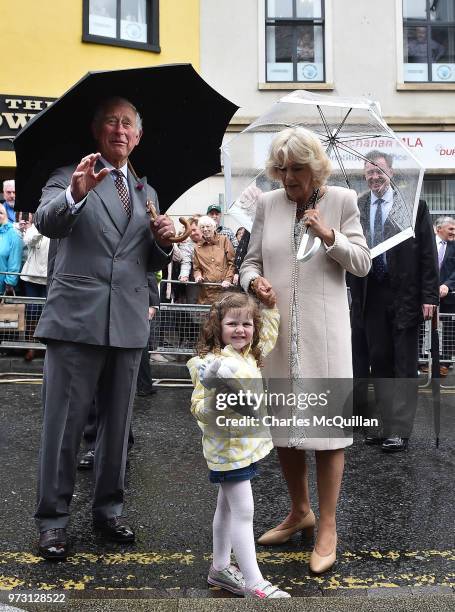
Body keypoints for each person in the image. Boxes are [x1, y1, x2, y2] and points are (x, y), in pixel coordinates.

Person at [33, 96, 175, 560]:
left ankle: (109, 510)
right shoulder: (67, 174)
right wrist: (76, 192)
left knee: (118, 427)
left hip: (128, 322)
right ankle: (53, 521)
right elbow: (47, 221)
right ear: (98, 132)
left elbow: (146, 260)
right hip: (76, 319)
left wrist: (164, 243)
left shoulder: (147, 193)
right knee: (64, 427)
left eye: (127, 124)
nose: (119, 130)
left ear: (137, 136)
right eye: (111, 122)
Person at [240, 126, 370, 573]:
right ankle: (300, 511)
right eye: (282, 169)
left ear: (315, 169)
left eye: (297, 169)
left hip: (325, 332)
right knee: (284, 428)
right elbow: (251, 261)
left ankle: (328, 525)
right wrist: (252, 281)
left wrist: (331, 236)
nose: (288, 178)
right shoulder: (269, 204)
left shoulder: (342, 202)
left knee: (327, 432)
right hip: (277, 332)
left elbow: (363, 263)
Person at [187, 292, 290, 599]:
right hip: (229, 451)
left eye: (247, 324)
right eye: (232, 323)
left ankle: (220, 568)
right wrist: (217, 398)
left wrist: (269, 307)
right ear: (217, 327)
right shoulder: (211, 365)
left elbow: (268, 334)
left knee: (227, 509)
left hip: (242, 448)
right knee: (243, 512)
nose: (241, 330)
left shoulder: (248, 354)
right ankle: (255, 583)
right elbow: (199, 409)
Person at [348, 150, 439, 453]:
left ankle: (399, 430)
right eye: (369, 172)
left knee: (404, 364)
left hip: (405, 296)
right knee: (380, 363)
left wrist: (429, 297)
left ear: (391, 173)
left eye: (379, 171)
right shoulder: (358, 206)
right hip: (371, 295)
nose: (374, 176)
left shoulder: (412, 207)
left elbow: (427, 253)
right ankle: (383, 425)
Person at [20, 223, 50, 360]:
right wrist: (43, 227)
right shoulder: (36, 226)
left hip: (49, 278)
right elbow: (29, 240)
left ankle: (44, 347)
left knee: (46, 312)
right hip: (31, 277)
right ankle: (31, 347)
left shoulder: (59, 226)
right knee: (32, 310)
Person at [193, 216, 235, 304]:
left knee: (224, 314)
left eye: (208, 226)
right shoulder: (197, 247)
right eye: (202, 227)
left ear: (214, 227)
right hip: (207, 291)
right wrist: (198, 276)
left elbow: (232, 262)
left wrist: (228, 279)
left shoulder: (224, 240)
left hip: (225, 289)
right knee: (209, 316)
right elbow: (196, 268)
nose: (205, 229)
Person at [434, 216, 455, 375]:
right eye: (451, 229)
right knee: (423, 326)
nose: (454, 232)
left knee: (449, 328)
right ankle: (423, 360)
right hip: (427, 294)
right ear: (438, 229)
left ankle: (446, 362)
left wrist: (447, 285)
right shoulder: (427, 243)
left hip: (448, 295)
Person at [0, 203, 23, 295]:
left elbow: (15, 261)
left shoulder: (13, 234)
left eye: (0, 213)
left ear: (6, 216)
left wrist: (10, 283)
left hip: (2, 289)